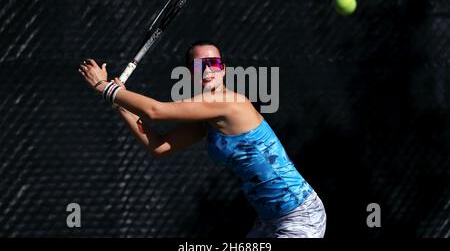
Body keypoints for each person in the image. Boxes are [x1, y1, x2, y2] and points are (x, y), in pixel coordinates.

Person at [78, 41, 326, 238]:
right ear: (190, 74)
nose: (207, 70)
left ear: (224, 69)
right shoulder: (209, 118)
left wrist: (104, 87)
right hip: (269, 219)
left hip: (300, 215)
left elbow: (156, 111)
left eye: (213, 63)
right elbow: (160, 147)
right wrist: (119, 104)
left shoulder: (230, 103)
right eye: (199, 65)